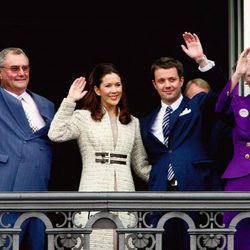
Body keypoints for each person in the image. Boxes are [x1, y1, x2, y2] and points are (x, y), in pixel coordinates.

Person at [48, 62, 151, 249]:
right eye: (108, 85)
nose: (114, 90)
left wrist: (169, 179)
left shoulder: (132, 122)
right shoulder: (83, 117)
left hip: (125, 192)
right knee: (94, 242)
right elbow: (56, 133)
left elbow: (140, 164)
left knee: (124, 243)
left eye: (118, 85)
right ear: (97, 89)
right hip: (92, 190)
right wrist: (70, 100)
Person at [139, 34, 223, 249]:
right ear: (154, 84)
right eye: (161, 80)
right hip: (160, 193)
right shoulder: (146, 121)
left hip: (194, 187)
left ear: (181, 80)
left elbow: (223, 92)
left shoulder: (197, 106)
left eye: (172, 79)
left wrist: (202, 60)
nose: (167, 85)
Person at [0, 48, 55, 249]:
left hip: (39, 191)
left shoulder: (46, 105)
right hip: (6, 188)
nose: (21, 73)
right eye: (14, 68)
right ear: (0, 72)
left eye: (25, 68)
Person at [215, 47, 250, 250]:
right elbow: (220, 107)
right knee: (236, 235)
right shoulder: (241, 102)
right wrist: (236, 74)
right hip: (240, 176)